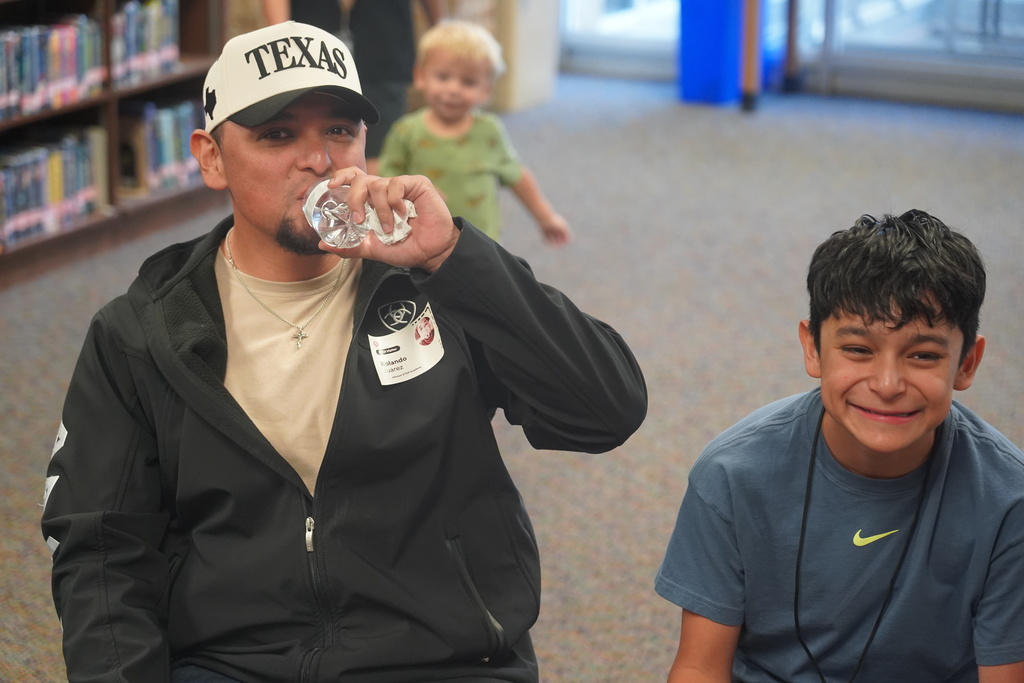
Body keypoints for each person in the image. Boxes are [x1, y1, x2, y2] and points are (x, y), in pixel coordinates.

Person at [40, 21, 647, 683]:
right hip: (234, 663)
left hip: (443, 660)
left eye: (339, 130)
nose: (320, 159)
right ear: (212, 158)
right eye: (277, 135)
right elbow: (101, 552)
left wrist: (454, 258)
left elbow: (605, 412)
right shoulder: (140, 330)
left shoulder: (437, 285)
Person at [655, 210, 1024, 682]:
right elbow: (699, 668)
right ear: (813, 349)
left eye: (923, 355)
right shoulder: (732, 474)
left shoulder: (1009, 500)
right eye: (858, 350)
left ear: (967, 363)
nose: (887, 385)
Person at [378, 20, 571, 246]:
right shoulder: (406, 130)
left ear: (485, 90)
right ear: (420, 77)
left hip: (482, 242)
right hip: (422, 240)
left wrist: (546, 217)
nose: (453, 89)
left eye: (468, 82)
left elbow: (516, 175)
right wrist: (410, 193)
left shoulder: (489, 131)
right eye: (443, 77)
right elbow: (386, 178)